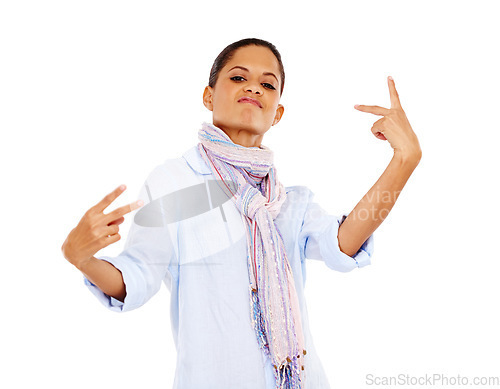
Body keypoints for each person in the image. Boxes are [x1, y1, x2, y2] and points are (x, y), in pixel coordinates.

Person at [61, 38, 422, 389]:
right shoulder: (177, 183)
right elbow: (135, 277)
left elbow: (342, 243)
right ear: (208, 96)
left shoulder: (287, 201)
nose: (254, 88)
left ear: (277, 113)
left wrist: (404, 160)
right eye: (238, 77)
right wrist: (82, 258)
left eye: (268, 84)